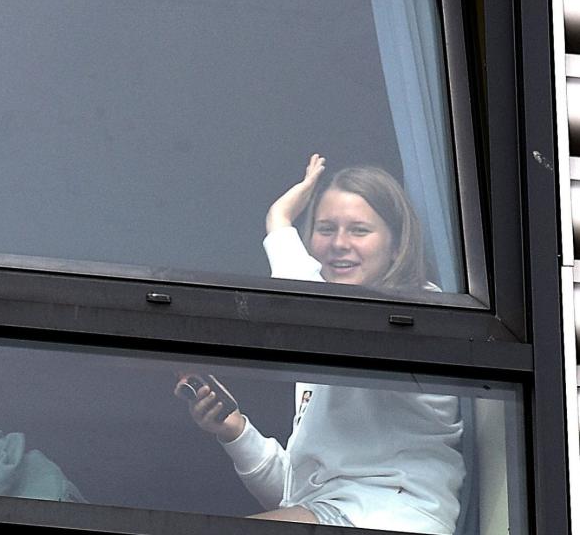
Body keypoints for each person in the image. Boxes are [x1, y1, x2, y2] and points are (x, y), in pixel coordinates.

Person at [177, 154, 464, 532]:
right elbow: (296, 496)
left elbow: (302, 307)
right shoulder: (324, 341)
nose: (339, 244)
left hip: (392, 518)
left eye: (359, 230)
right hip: (342, 513)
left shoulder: (416, 311)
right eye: (326, 229)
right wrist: (235, 431)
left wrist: (278, 223)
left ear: (396, 246)